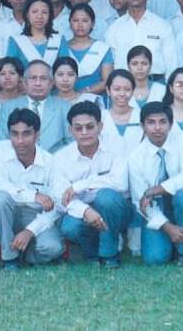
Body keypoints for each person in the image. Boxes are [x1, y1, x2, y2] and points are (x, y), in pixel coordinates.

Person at [52, 101, 130, 268]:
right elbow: (61, 197)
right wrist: (85, 211)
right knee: (70, 227)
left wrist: (80, 185)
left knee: (106, 198)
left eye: (90, 127)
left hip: (114, 207)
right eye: (78, 128)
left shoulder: (117, 145)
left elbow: (121, 183)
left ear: (100, 126)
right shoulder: (61, 158)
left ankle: (109, 254)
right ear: (70, 130)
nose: (85, 133)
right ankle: (92, 253)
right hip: (82, 208)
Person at [0, 108, 65, 269]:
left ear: (37, 135)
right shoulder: (0, 150)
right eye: (15, 134)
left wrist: (30, 231)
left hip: (37, 215)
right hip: (10, 213)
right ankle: (9, 258)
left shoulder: (51, 162)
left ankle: (26, 254)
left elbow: (57, 206)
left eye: (26, 134)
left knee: (53, 248)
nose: (20, 140)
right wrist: (33, 196)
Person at [128, 102, 183, 265]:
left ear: (171, 124)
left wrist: (155, 190)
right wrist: (168, 227)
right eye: (151, 122)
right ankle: (173, 236)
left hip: (181, 201)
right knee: (155, 259)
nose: (157, 128)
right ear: (142, 126)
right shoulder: (136, 157)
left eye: (162, 122)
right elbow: (140, 201)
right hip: (157, 208)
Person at [106, 0, 178, 77]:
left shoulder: (162, 26)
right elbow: (110, 64)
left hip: (155, 82)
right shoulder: (114, 28)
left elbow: (172, 63)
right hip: (124, 83)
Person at [61, 4, 114, 95]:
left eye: (85, 21)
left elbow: (107, 81)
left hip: (95, 99)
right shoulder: (62, 47)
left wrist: (82, 93)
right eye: (76, 20)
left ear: (92, 23)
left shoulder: (102, 48)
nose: (80, 25)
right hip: (65, 99)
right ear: (70, 23)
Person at [6, 0, 63, 68]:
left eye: (44, 12)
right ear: (27, 14)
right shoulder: (16, 41)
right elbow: (11, 70)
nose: (39, 16)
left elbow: (66, 69)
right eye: (34, 12)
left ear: (50, 15)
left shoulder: (59, 40)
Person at [100, 70, 143, 156]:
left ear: (133, 91)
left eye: (127, 89)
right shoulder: (100, 117)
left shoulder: (141, 116)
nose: (122, 93)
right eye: (117, 89)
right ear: (108, 90)